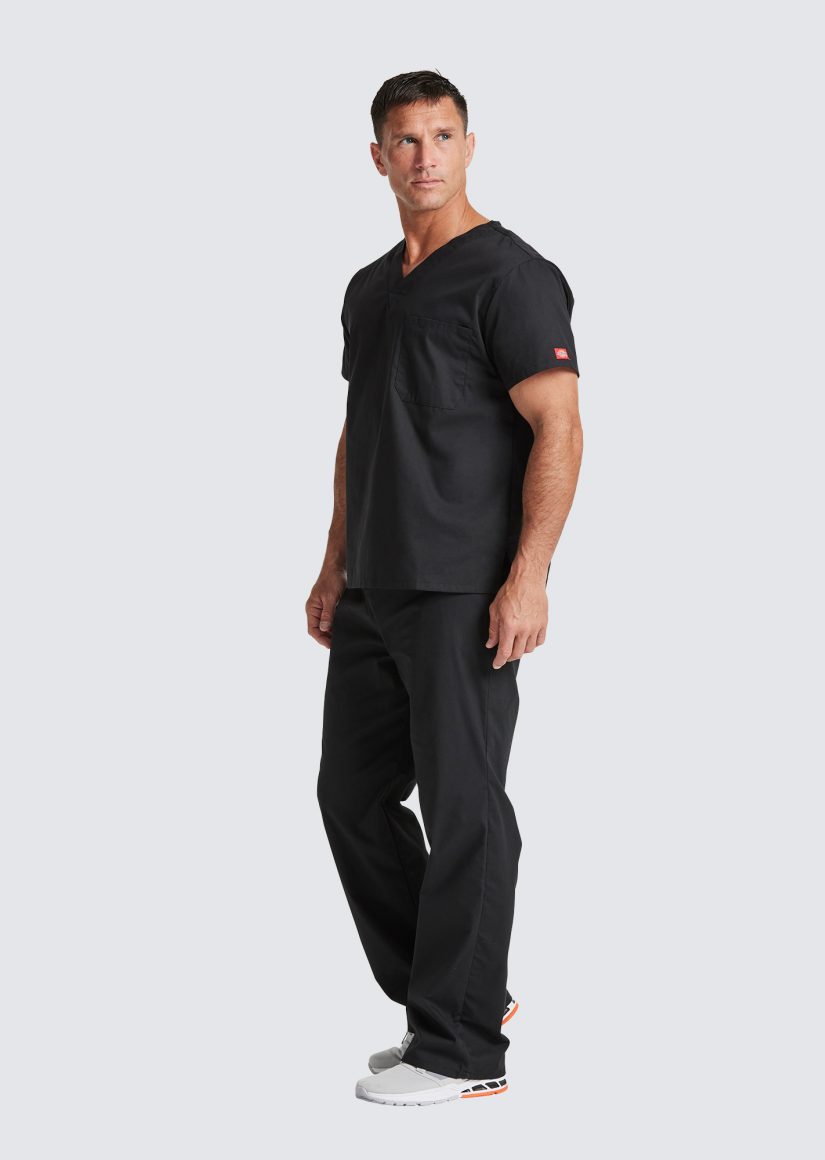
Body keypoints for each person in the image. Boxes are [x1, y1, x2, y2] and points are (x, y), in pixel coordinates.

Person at [307, 69, 583, 1106]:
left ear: (469, 146)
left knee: (465, 805)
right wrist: (334, 561)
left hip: (465, 588)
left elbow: (559, 426)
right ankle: (456, 995)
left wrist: (529, 576)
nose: (424, 156)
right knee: (350, 797)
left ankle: (463, 1050)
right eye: (405, 139)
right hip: (375, 587)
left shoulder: (511, 275)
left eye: (442, 135)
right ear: (378, 157)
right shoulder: (369, 288)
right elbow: (360, 431)